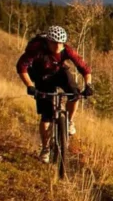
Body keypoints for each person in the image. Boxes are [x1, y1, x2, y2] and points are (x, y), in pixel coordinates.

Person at [16, 25, 94, 162]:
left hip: (59, 72)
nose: (58, 46)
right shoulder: (36, 49)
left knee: (74, 94)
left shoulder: (66, 50)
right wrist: (30, 86)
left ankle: (69, 121)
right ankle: (45, 148)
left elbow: (84, 68)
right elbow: (21, 67)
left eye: (61, 43)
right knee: (46, 116)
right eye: (55, 43)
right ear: (48, 42)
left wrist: (88, 85)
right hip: (42, 77)